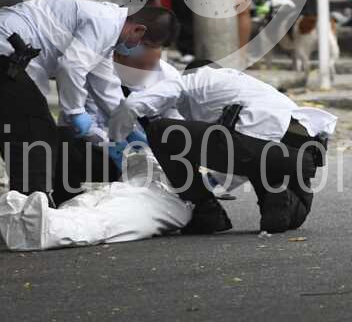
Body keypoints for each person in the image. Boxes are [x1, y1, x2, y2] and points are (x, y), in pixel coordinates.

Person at [0, 0, 177, 245]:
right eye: (151, 47)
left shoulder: (104, 34)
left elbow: (107, 92)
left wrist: (132, 132)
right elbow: (72, 66)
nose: (142, 53)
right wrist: (74, 113)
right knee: (34, 137)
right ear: (138, 32)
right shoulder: (105, 22)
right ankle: (30, 224)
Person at [109, 59, 336, 235]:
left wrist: (116, 143)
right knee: (294, 215)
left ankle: (207, 212)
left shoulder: (191, 80)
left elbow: (133, 104)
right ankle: (280, 195)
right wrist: (212, 182)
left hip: (258, 144)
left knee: (161, 130)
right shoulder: (252, 86)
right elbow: (230, 163)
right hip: (302, 151)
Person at [0, 46, 192, 251]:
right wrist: (112, 143)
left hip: (154, 168)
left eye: (151, 66)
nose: (146, 72)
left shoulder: (167, 80)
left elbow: (176, 130)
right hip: (110, 154)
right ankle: (58, 210)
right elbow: (78, 120)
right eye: (140, 66)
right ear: (118, 57)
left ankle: (54, 226)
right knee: (97, 195)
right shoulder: (95, 73)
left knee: (119, 209)